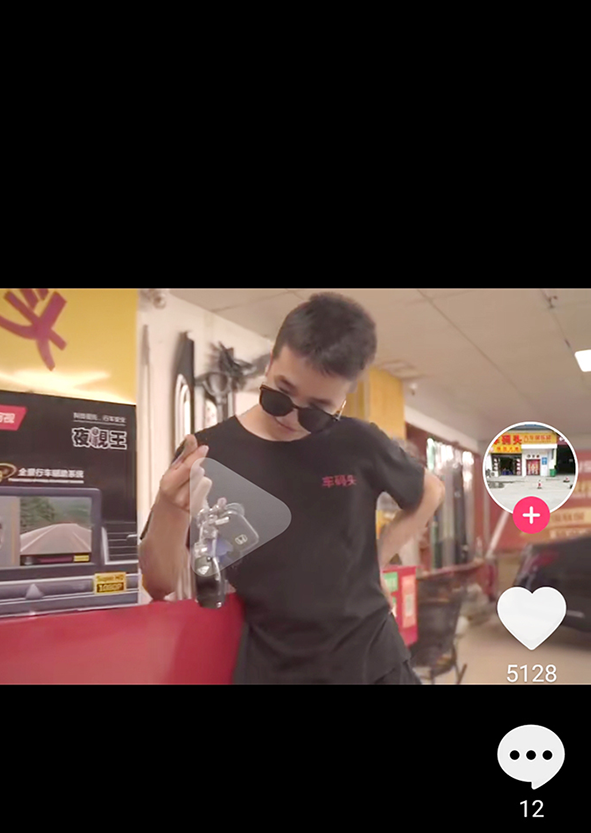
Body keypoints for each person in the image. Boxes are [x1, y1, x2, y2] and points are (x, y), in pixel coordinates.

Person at [139, 293, 445, 685]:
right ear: (270, 362)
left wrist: (378, 560)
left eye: (316, 411)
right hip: (276, 667)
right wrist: (169, 506)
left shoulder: (357, 442)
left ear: (342, 400)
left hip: (373, 660)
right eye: (280, 393)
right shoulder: (209, 453)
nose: (291, 418)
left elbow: (431, 491)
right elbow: (159, 583)